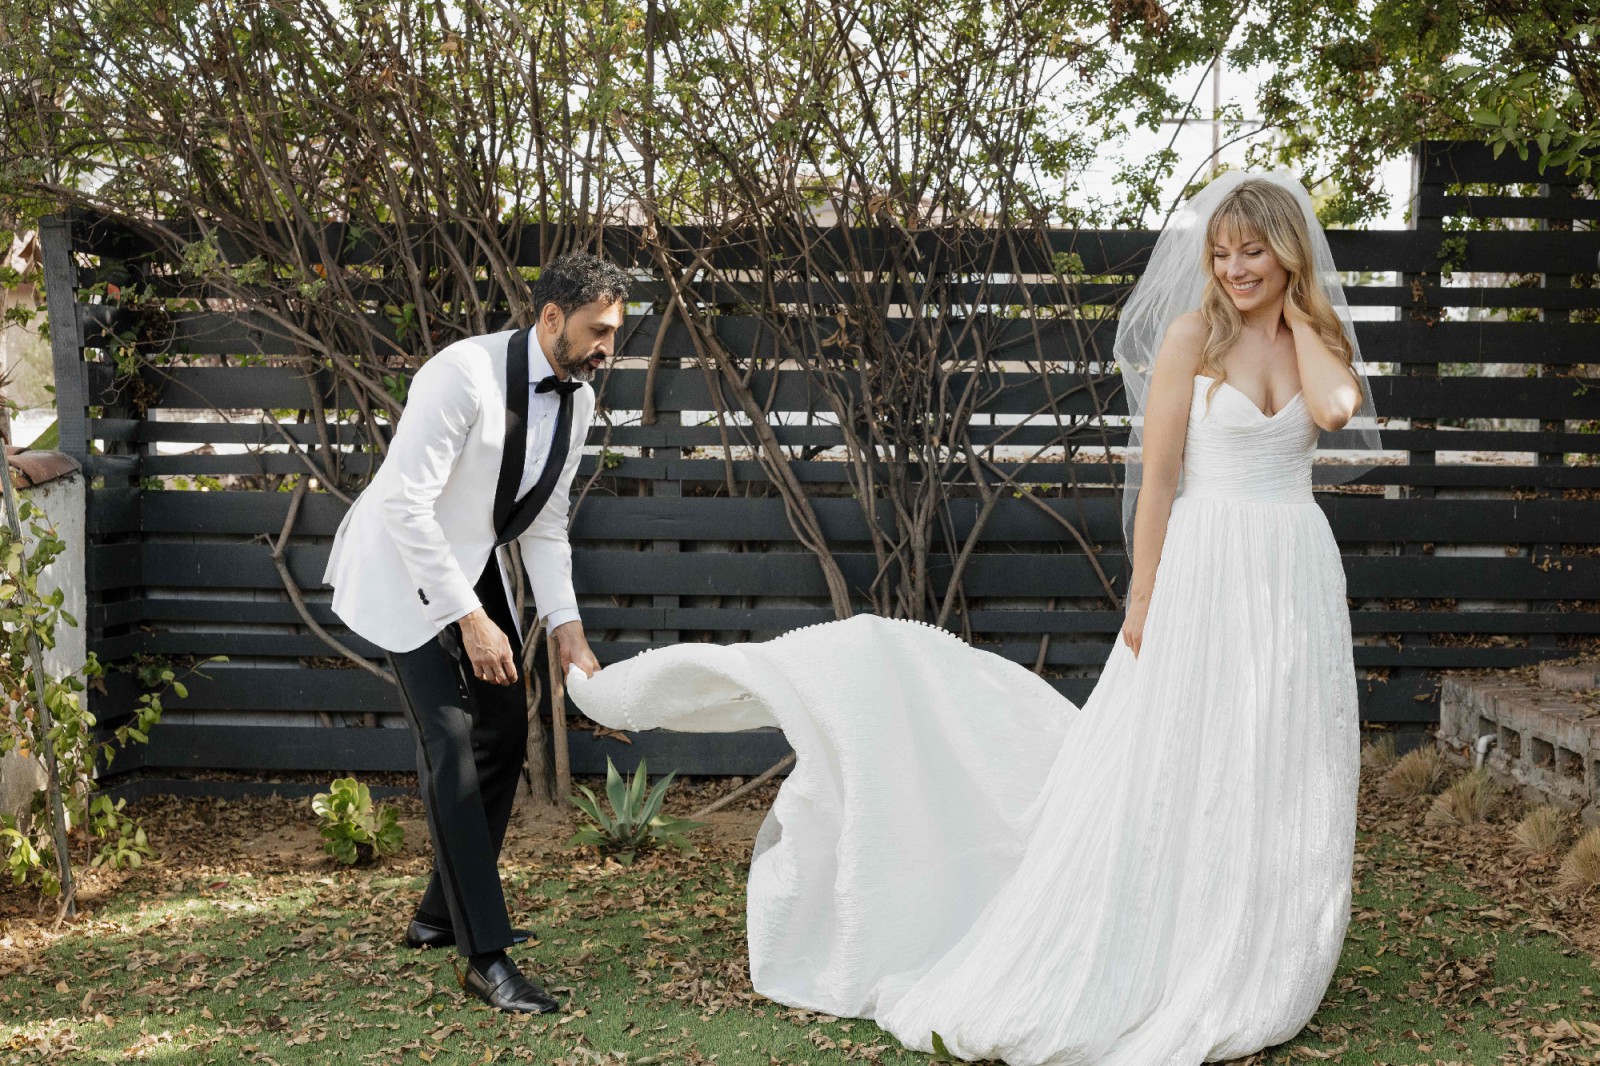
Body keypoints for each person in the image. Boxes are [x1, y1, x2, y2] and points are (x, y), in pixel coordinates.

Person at [565, 172, 1381, 1063]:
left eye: (1253, 252)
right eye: (1221, 254)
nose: (1233, 269)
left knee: (1275, 746)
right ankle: (1176, 939)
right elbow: (1158, 478)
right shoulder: (1193, 336)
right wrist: (1146, 592)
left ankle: (1256, 939)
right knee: (1183, 752)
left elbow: (1336, 410)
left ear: (1288, 252)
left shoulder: (1315, 340)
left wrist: (1299, 316)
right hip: (1206, 563)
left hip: (1292, 569)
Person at [322, 252, 626, 1014]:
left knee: (505, 730)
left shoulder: (580, 401)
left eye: (614, 333)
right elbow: (405, 505)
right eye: (597, 331)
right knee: (451, 743)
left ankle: (437, 913)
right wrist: (470, 618)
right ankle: (482, 956)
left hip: (468, 558)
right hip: (401, 561)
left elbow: (546, 523)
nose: (607, 347)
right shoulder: (460, 375)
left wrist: (566, 628)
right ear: (551, 317)